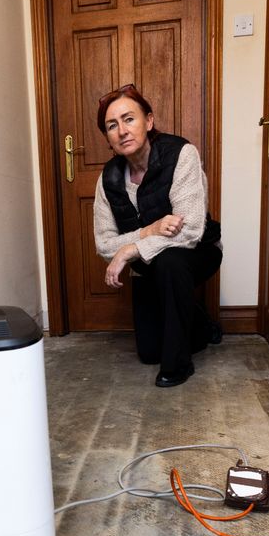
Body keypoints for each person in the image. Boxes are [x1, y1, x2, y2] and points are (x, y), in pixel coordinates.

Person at [93, 84, 222, 387]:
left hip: (195, 252)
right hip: (147, 266)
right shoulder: (108, 179)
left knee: (171, 262)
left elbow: (189, 230)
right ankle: (201, 325)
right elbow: (104, 242)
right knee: (149, 352)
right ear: (108, 138)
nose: (122, 130)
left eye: (129, 119)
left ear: (148, 122)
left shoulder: (181, 154)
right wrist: (147, 233)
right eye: (112, 125)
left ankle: (178, 365)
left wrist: (127, 249)